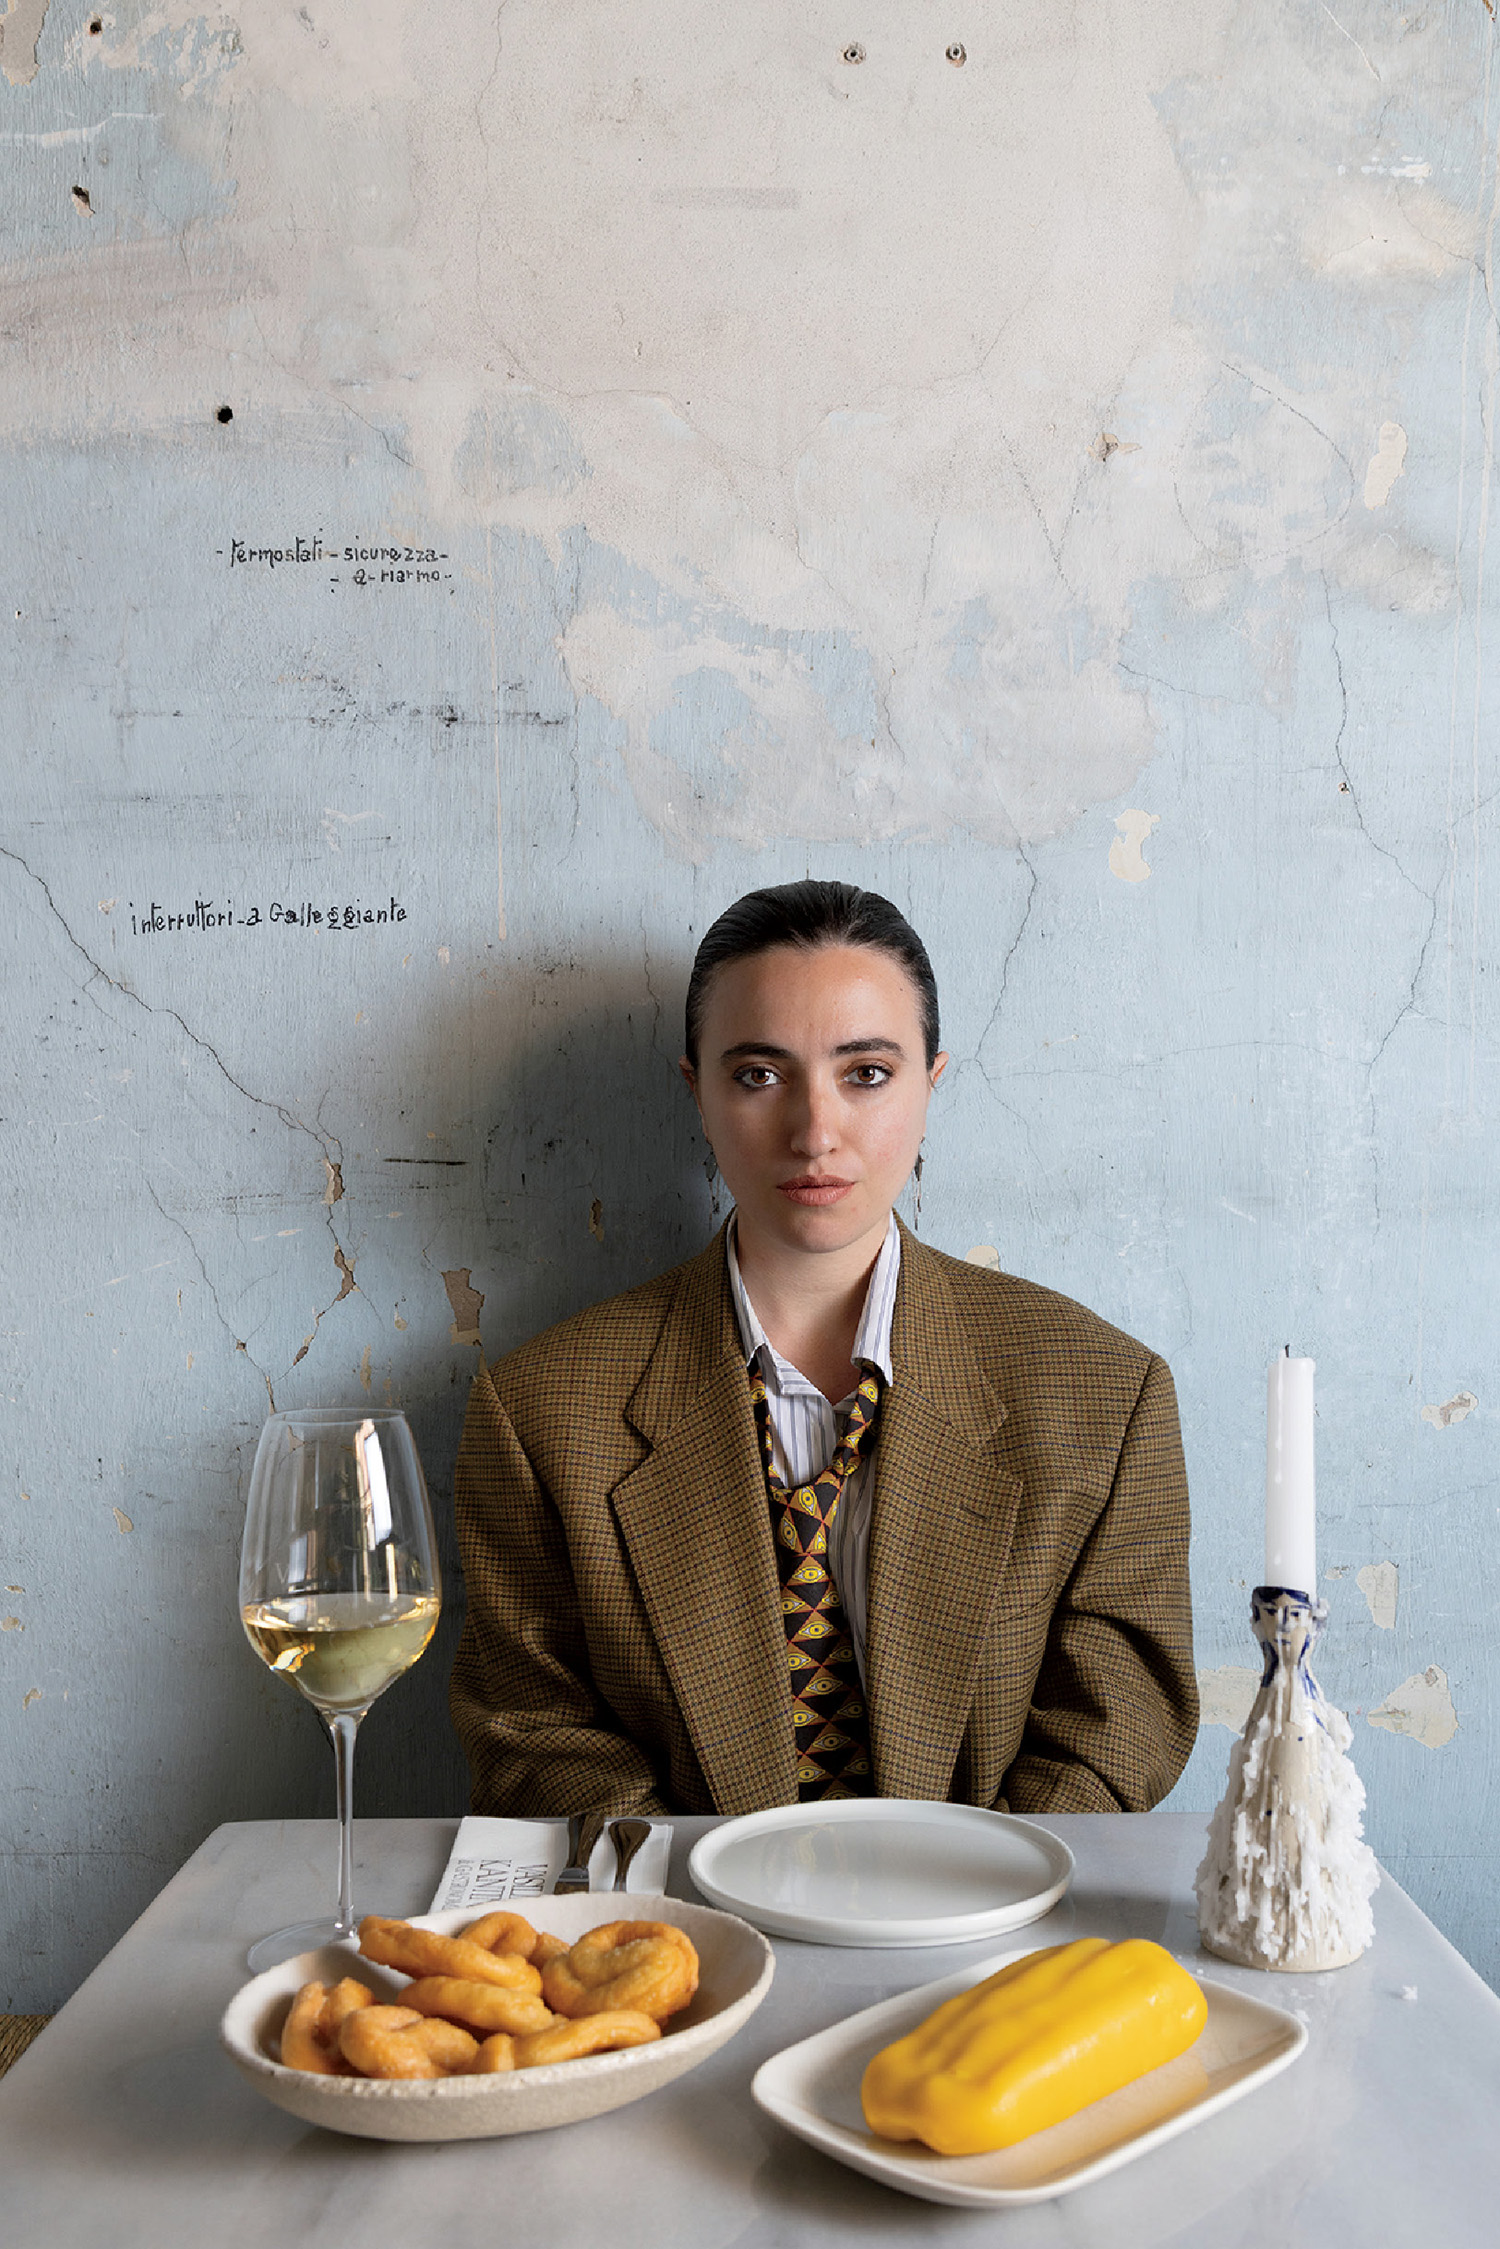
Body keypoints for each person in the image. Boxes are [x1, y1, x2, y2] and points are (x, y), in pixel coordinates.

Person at [450, 881, 1197, 1820]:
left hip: (992, 1942)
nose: (814, 1132)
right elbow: (533, 1729)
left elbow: (1115, 1724)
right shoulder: (540, 1410)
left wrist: (967, 1897)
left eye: (867, 1072)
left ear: (933, 1079)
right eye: (759, 1074)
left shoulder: (1105, 1393)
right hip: (693, 1941)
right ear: (698, 1090)